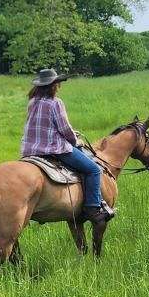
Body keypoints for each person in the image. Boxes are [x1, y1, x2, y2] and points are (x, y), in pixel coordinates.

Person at [21, 68, 113, 223]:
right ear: (53, 86)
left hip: (31, 150)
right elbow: (65, 130)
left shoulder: (32, 102)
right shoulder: (55, 103)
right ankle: (93, 207)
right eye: (57, 83)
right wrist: (77, 141)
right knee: (94, 169)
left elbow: (45, 126)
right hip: (54, 149)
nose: (59, 86)